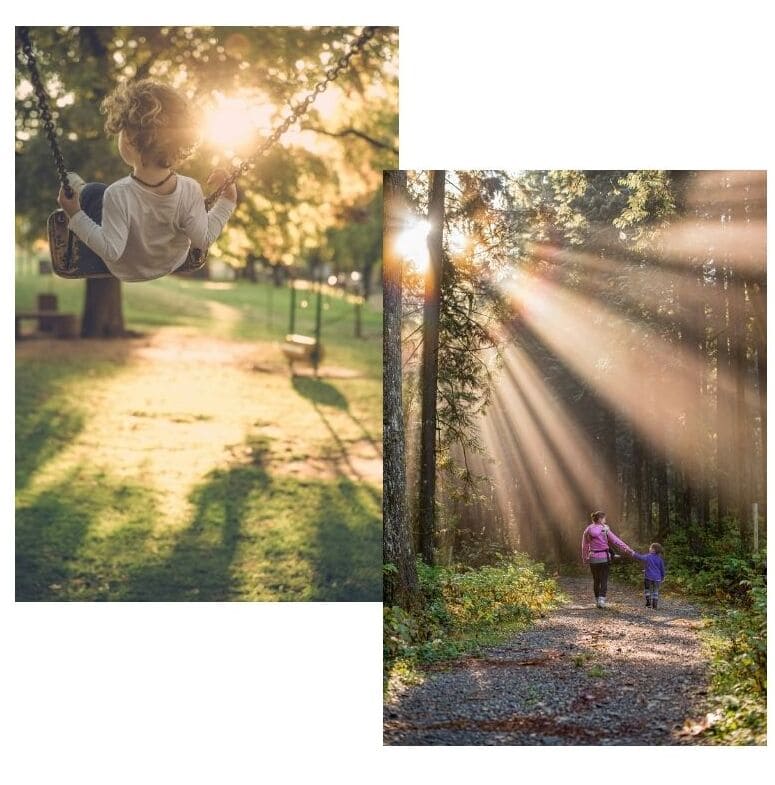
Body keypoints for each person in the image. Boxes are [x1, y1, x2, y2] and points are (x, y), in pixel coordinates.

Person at [56, 79, 237, 282]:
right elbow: (203, 239)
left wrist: (75, 214)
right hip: (170, 262)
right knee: (97, 194)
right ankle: (79, 187)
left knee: (93, 192)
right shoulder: (190, 189)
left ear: (129, 139)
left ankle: (79, 188)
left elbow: (111, 250)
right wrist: (227, 201)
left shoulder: (117, 194)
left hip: (126, 269)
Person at [581, 511, 635, 608]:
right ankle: (602, 600)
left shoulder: (588, 529)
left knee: (596, 580)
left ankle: (597, 601)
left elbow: (584, 546)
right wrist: (628, 549)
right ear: (600, 519)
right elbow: (616, 540)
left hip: (593, 558)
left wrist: (585, 558)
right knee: (604, 580)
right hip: (604, 559)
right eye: (604, 518)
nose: (605, 520)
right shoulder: (604, 529)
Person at [632, 543, 666, 609]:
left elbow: (640, 557)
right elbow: (662, 569)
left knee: (647, 590)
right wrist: (663, 577)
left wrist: (633, 553)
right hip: (657, 578)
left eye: (650, 547)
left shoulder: (648, 556)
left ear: (653, 550)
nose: (649, 548)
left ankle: (648, 604)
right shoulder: (660, 559)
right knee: (655, 591)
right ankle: (655, 606)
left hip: (648, 577)